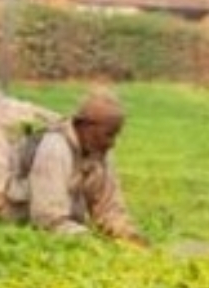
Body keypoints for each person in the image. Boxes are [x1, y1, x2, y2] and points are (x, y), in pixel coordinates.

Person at [8, 88, 147, 245]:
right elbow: (48, 220)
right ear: (84, 126)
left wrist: (128, 235)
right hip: (27, 225)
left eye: (115, 135)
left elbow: (109, 208)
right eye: (108, 134)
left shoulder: (100, 153)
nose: (112, 143)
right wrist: (90, 241)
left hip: (69, 228)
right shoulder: (55, 148)